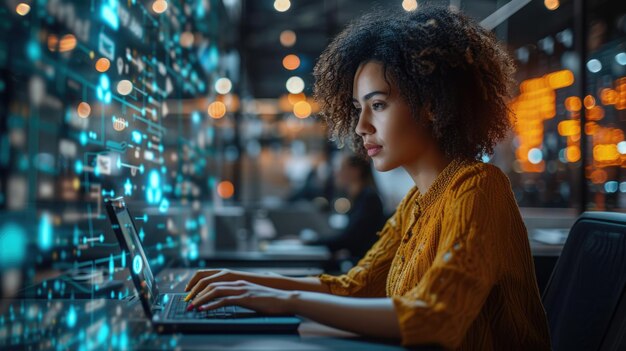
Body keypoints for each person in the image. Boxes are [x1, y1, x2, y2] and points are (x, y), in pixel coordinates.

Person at [184, 6, 552, 350]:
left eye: (378, 105)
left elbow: (433, 317)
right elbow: (355, 288)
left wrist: (284, 300)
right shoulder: (417, 202)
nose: (361, 127)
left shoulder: (478, 187)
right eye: (359, 109)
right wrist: (244, 282)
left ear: (431, 104)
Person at [306, 153, 385, 260]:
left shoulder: (369, 198)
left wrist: (308, 241)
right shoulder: (359, 197)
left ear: (355, 171)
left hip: (365, 266)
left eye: (340, 168)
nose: (336, 173)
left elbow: (348, 239)